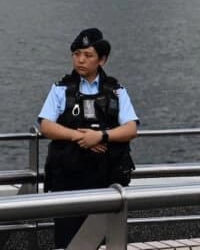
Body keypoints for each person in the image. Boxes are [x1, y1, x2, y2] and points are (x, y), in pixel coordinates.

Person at [37, 27, 139, 249]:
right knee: (67, 241)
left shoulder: (117, 91)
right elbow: (45, 125)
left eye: (88, 55)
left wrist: (101, 136)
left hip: (106, 181)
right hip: (67, 180)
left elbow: (131, 128)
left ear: (102, 59)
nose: (80, 60)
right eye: (76, 54)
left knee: (105, 241)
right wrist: (79, 137)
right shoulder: (61, 89)